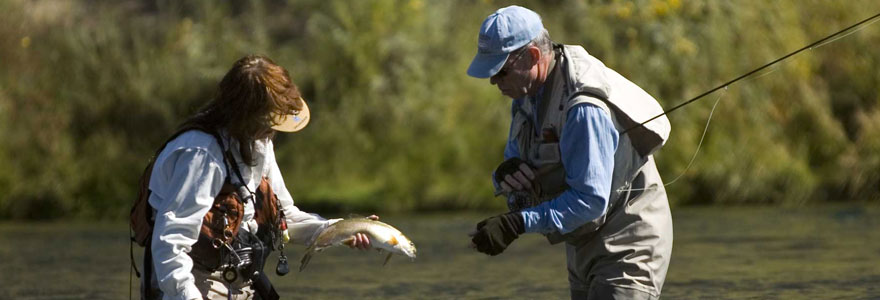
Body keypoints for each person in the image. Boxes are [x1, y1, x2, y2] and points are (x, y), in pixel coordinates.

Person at [466, 6, 673, 300]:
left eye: (500, 71)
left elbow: (590, 201)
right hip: (581, 244)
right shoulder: (526, 95)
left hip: (628, 243)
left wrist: (518, 223)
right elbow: (517, 160)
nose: (493, 81)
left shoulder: (584, 108)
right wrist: (505, 173)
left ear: (534, 57)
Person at [141, 54, 375, 300]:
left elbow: (286, 219)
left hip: (238, 277)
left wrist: (341, 231)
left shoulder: (258, 141)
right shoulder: (201, 154)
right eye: (267, 122)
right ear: (244, 116)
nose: (273, 130)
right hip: (187, 281)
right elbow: (170, 243)